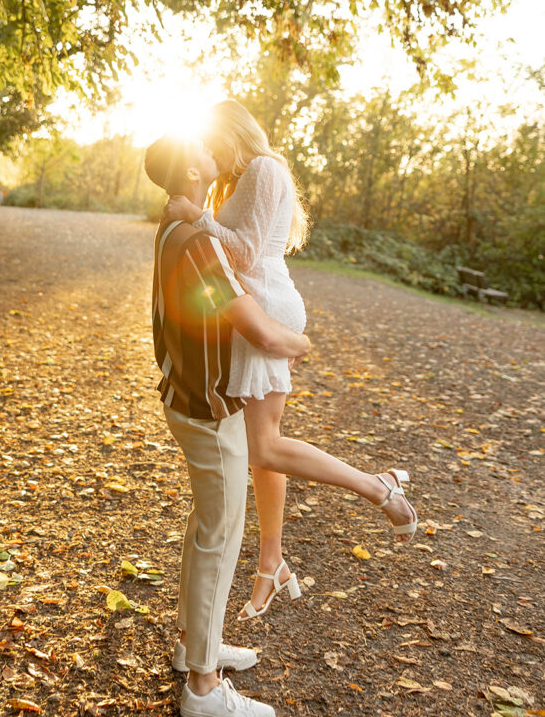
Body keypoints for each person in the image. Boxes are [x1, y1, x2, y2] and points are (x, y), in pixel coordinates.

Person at [164, 100, 417, 623]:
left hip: (266, 312)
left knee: (265, 445)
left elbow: (247, 253)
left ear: (235, 134)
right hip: (251, 312)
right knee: (264, 451)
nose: (211, 153)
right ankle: (272, 564)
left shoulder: (262, 168)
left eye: (214, 143)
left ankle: (379, 488)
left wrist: (197, 216)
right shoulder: (245, 177)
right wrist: (204, 204)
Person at [145, 135, 311, 717]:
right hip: (207, 409)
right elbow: (260, 332)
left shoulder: (173, 229)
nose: (215, 152)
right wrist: (301, 342)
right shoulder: (199, 247)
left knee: (205, 529)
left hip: (187, 398)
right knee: (219, 541)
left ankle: (198, 644)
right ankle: (204, 688)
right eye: (204, 150)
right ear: (192, 170)